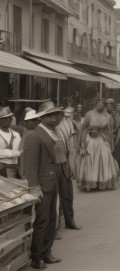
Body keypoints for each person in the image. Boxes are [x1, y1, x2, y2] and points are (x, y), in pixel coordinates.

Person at [23, 102, 65, 269]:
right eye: (51, 115)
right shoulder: (34, 135)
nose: (56, 117)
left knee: (51, 220)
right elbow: (30, 165)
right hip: (42, 185)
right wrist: (35, 188)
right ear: (42, 118)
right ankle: (36, 257)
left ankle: (47, 252)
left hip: (52, 181)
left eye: (57, 114)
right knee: (42, 221)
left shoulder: (53, 132)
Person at [78, 99, 120, 191]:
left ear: (104, 106)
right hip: (90, 138)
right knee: (90, 160)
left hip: (102, 138)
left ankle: (103, 183)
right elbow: (84, 127)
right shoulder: (89, 114)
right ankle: (90, 183)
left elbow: (109, 131)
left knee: (104, 157)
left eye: (102, 105)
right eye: (99, 104)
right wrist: (83, 142)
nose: (100, 106)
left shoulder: (108, 116)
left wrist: (110, 143)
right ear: (95, 105)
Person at [55, 106, 82, 235]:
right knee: (53, 200)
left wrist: (71, 167)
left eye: (59, 114)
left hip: (65, 164)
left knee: (67, 195)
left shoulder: (68, 126)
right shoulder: (48, 130)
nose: (57, 117)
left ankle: (69, 221)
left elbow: (71, 149)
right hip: (53, 167)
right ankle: (55, 226)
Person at [0, 107, 21, 178]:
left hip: (14, 170)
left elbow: (21, 150)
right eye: (5, 118)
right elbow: (19, 152)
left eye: (10, 117)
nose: (8, 120)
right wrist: (17, 153)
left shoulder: (16, 135)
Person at [19, 109, 40, 179]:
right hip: (27, 167)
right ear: (25, 122)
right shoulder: (27, 133)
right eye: (31, 120)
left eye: (35, 120)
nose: (34, 123)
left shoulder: (36, 132)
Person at [106, 99, 120, 173]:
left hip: (115, 135)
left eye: (111, 105)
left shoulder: (116, 114)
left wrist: (114, 133)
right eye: (107, 106)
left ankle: (116, 169)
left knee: (116, 152)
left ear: (113, 106)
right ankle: (107, 169)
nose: (109, 107)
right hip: (105, 135)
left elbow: (119, 125)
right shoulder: (103, 114)